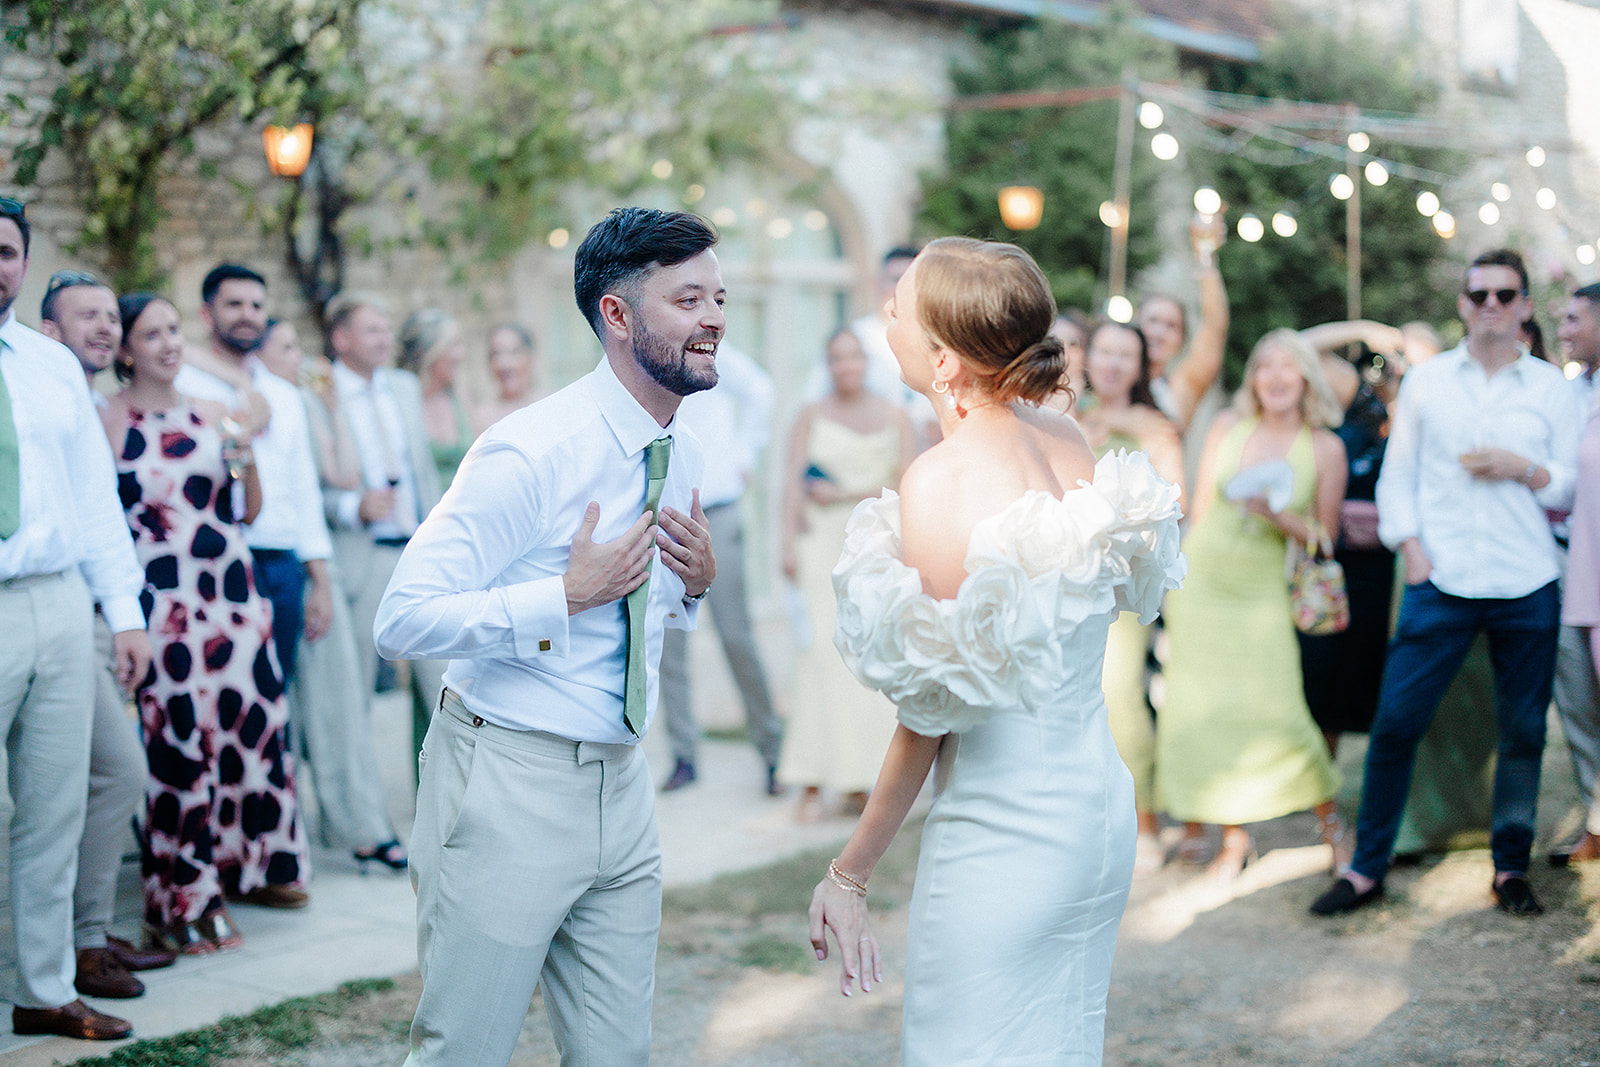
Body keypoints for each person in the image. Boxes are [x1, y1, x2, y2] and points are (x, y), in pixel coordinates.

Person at [807, 237, 1185, 1064]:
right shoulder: (1066, 440)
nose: (885, 312)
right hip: (1094, 809)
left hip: (1004, 830)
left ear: (943, 360)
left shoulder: (942, 481)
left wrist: (850, 871)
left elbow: (938, 708)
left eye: (897, 304)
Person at [375, 206, 719, 1066]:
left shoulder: (682, 449)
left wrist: (697, 587)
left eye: (719, 295)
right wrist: (558, 597)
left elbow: (646, 617)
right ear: (617, 314)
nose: (714, 316)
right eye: (688, 298)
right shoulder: (529, 450)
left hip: (622, 787)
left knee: (617, 1056)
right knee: (465, 1051)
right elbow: (401, 617)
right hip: (507, 783)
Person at [1312, 249, 1582, 918]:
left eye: (1505, 293)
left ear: (1524, 305)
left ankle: (1510, 865)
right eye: (1479, 293)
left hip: (1527, 580)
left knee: (1522, 732)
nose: (1491, 304)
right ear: (1463, 303)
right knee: (1397, 722)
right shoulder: (1429, 382)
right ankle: (1366, 867)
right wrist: (1412, 547)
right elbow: (1398, 476)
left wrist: (1526, 467)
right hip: (1443, 578)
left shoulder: (1552, 387)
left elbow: (1574, 481)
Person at [104, 292, 311, 952]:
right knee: (179, 748)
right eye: (152, 333)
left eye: (174, 330)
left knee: (248, 740)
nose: (168, 343)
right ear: (124, 348)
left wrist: (241, 454)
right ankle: (180, 897)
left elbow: (247, 508)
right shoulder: (109, 419)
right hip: (164, 606)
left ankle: (248, 871)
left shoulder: (214, 411)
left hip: (232, 596)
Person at [0, 197, 149, 1042]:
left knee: (54, 808)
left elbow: (95, 501)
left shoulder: (50, 366)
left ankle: (46, 987)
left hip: (59, 600)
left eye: (7, 249)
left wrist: (124, 613)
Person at [1156, 329, 1351, 881]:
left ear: (1306, 377)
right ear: (1254, 379)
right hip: (1204, 584)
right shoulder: (1225, 426)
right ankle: (1233, 840)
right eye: (1265, 366)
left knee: (1280, 709)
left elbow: (1325, 539)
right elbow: (1196, 508)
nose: (1276, 377)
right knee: (1210, 711)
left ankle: (1334, 826)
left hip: (1262, 590)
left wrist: (1276, 516)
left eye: (1288, 367)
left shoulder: (1325, 446)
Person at [37, 271, 177, 998]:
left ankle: (85, 936)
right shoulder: (50, 397)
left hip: (106, 613)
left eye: (106, 315)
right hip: (62, 610)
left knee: (115, 769)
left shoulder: (95, 402)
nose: (103, 327)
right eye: (82, 316)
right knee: (85, 778)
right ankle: (71, 941)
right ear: (49, 331)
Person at [255, 317, 407, 872]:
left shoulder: (304, 406)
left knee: (336, 704)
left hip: (308, 568)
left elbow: (342, 475)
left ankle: (360, 827)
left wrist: (333, 409)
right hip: (258, 569)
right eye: (287, 345)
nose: (300, 356)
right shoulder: (237, 402)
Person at [777, 328, 915, 820]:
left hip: (871, 543)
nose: (846, 365)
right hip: (820, 544)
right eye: (836, 358)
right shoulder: (810, 415)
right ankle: (810, 777)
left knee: (864, 655)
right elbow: (792, 480)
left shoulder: (895, 415)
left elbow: (907, 482)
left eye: (853, 356)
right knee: (818, 653)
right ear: (828, 364)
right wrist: (786, 542)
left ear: (865, 362)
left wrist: (847, 493)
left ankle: (863, 778)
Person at [318, 292, 444, 767]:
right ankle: (361, 827)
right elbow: (308, 491)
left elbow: (425, 475)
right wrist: (353, 506)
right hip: (361, 560)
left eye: (386, 328)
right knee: (354, 703)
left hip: (419, 553)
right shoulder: (319, 395)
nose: (385, 338)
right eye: (372, 329)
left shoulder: (404, 388)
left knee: (448, 687)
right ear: (341, 338)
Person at [1077, 320, 1183, 872]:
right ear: (1088, 354)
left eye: (1126, 355)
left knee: (1119, 692)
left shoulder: (1153, 425)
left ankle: (1144, 817)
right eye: (1105, 351)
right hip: (1067, 574)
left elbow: (1173, 499)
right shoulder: (1066, 413)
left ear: (1141, 366)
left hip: (1122, 582)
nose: (1114, 363)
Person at [656, 341, 784, 795]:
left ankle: (773, 754)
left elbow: (760, 391)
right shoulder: (644, 351)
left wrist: (745, 455)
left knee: (736, 636)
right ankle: (684, 755)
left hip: (719, 510)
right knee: (668, 646)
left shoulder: (709, 350)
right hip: (666, 520)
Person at [1553, 282, 1600, 865]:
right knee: (1578, 703)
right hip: (1569, 567)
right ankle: (1596, 818)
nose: (1562, 329)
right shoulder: (1567, 393)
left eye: (1574, 319)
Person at [1137, 215, 1230, 435]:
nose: (1159, 332)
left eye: (1171, 326)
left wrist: (1206, 255)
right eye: (1152, 321)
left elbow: (1215, 325)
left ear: (1181, 340)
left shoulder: (1180, 388)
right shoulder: (1106, 375)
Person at [397, 308, 475, 488]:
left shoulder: (460, 397)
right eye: (453, 345)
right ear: (431, 351)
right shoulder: (403, 402)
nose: (461, 354)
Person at [473, 321, 541, 430]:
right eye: (497, 354)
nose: (505, 363)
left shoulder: (546, 407)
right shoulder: (482, 417)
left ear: (530, 358)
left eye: (514, 352)